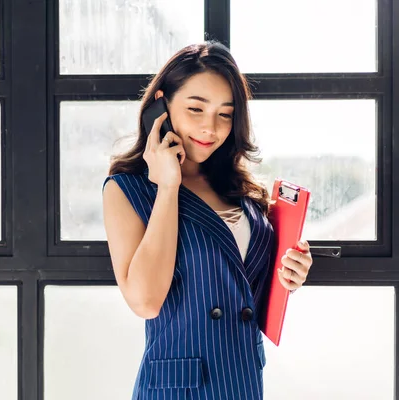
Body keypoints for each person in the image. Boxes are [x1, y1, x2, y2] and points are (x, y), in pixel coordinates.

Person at [102, 41, 313, 400]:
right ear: (161, 105)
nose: (210, 128)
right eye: (196, 109)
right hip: (179, 388)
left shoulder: (239, 188)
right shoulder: (128, 189)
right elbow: (145, 301)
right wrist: (168, 186)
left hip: (242, 379)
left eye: (225, 114)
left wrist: (289, 273)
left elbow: (240, 288)